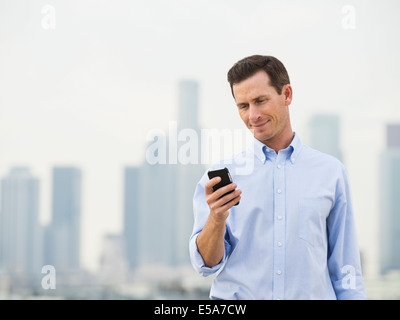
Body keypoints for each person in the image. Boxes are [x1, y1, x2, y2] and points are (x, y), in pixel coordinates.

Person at [189, 54, 367, 300]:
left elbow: (346, 270)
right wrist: (216, 219)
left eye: (260, 101)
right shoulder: (220, 177)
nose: (253, 115)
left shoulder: (331, 173)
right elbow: (206, 264)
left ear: (287, 95)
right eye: (243, 106)